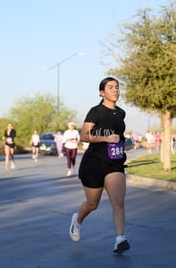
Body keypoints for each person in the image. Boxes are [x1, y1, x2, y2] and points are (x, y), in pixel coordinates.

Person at [69, 77, 130, 254]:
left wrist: (125, 144)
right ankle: (77, 221)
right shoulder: (95, 112)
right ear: (102, 92)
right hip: (94, 163)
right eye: (110, 87)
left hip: (114, 163)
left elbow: (118, 137)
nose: (115, 90)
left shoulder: (121, 113)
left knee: (118, 202)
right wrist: (105, 138)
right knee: (92, 204)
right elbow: (84, 135)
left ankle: (120, 239)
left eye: (117, 87)